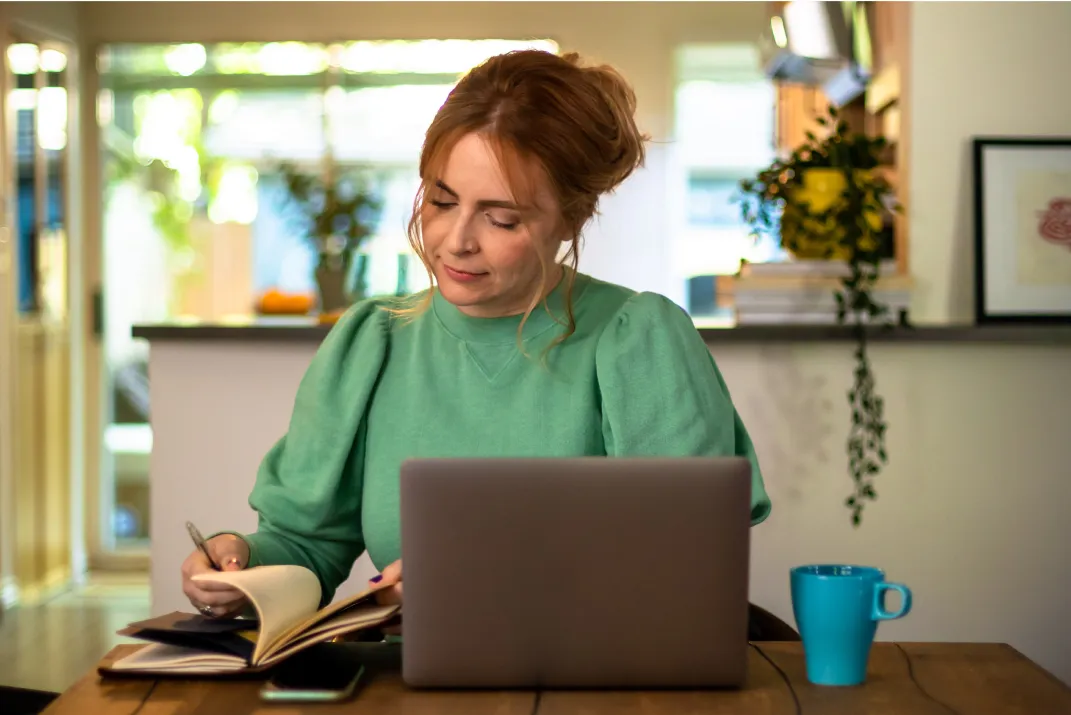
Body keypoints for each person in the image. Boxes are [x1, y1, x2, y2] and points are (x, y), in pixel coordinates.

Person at [181, 49, 771, 621]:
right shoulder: (372, 342)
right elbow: (305, 546)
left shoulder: (639, 340)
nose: (456, 239)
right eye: (441, 200)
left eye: (501, 217)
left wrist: (490, 575)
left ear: (571, 217)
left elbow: (685, 562)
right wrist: (243, 564)